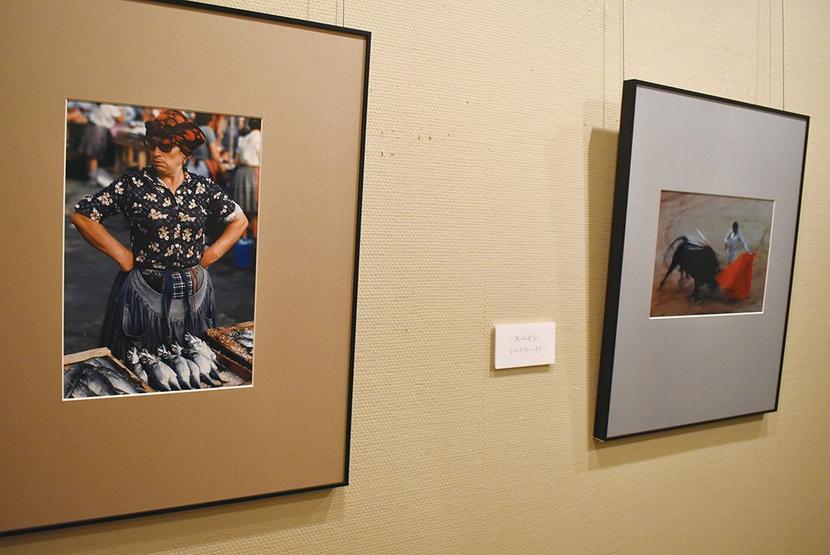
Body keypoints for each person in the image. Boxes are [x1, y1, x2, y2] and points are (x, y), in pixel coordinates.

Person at [71, 109, 248, 360]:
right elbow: (83, 215)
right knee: (143, 364)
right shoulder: (133, 184)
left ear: (184, 153)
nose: (156, 153)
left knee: (193, 363)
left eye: (165, 147)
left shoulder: (202, 188)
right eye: (152, 145)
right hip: (145, 294)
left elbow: (239, 220)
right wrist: (121, 255)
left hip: (194, 295)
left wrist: (213, 254)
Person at [229, 118, 262, 237]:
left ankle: (243, 238)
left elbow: (237, 160)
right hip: (254, 172)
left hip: (241, 173)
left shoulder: (243, 138)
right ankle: (255, 238)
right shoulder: (262, 137)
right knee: (256, 210)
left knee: (241, 210)